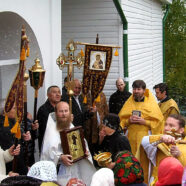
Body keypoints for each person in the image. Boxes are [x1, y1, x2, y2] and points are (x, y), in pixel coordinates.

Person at [40, 101, 96, 186]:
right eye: (61, 111)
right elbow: (47, 153)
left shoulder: (71, 127)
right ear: (56, 113)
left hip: (76, 170)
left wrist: (84, 152)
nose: (64, 114)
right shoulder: (51, 131)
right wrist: (60, 157)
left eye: (66, 111)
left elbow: (82, 144)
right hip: (60, 172)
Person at [119, 80, 164, 155]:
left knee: (144, 160)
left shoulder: (151, 104)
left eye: (138, 89)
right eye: (134, 89)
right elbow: (121, 120)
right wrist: (128, 121)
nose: (136, 91)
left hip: (145, 138)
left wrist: (145, 122)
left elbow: (159, 122)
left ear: (144, 90)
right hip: (130, 138)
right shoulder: (129, 103)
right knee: (131, 159)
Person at [138, 114, 186, 185]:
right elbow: (144, 142)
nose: (166, 128)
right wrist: (160, 138)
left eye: (171, 126)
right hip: (156, 182)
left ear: (181, 130)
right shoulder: (158, 142)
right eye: (165, 124)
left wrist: (179, 156)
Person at [0, 100, 34, 175]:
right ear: (4, 112)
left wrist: (24, 137)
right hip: (12, 169)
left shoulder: (13, 122)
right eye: (14, 108)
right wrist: (24, 169)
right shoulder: (4, 127)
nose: (16, 111)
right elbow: (13, 150)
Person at [37, 85, 61, 152]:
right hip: (48, 144)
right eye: (54, 92)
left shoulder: (62, 108)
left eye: (59, 92)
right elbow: (46, 129)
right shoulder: (43, 109)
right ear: (48, 95)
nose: (57, 94)